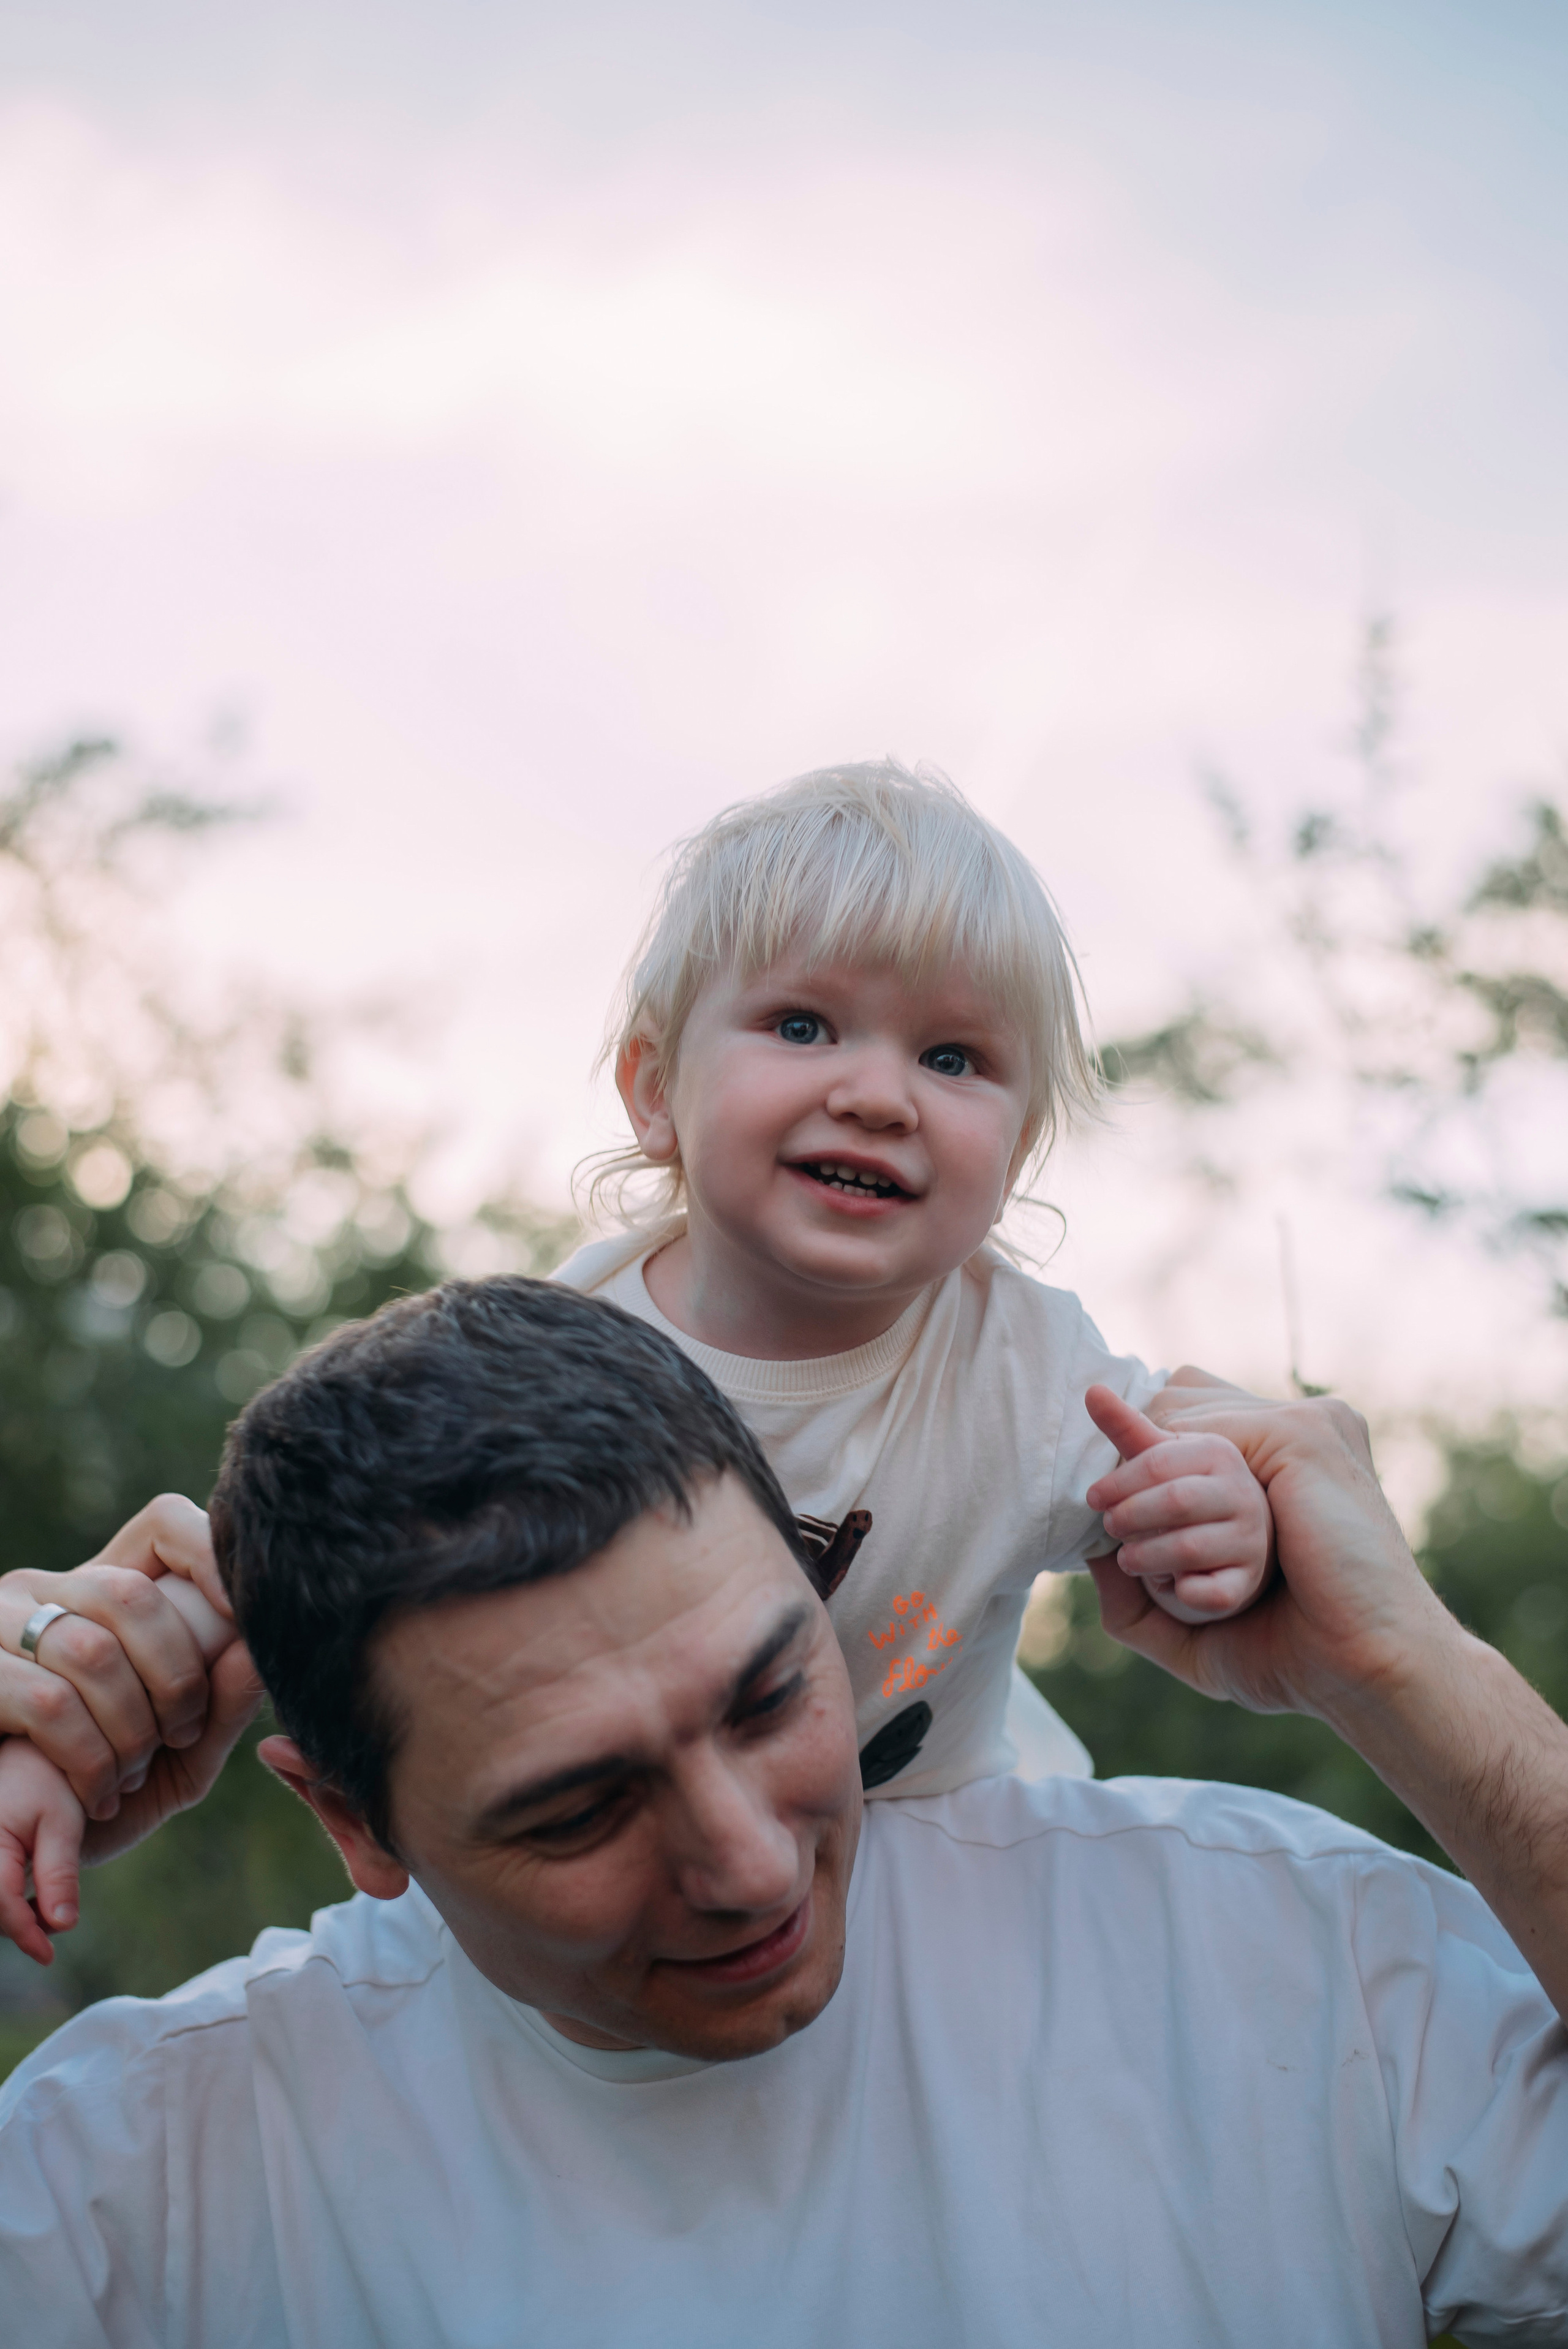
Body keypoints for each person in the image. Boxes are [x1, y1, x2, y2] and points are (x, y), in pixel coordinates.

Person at [2, 1276, 1567, 2347]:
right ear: (354, 1824)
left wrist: (1412, 1673)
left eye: (770, 1696)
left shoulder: (1269, 1955)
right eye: (575, 1810)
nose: (750, 1866)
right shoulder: (174, 2158)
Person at [0, 759, 1277, 1954]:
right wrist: (86, 1718)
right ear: (653, 1090)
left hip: (937, 1852)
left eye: (953, 1059)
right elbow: (340, 1561)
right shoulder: (556, 1360)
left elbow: (1183, 1488)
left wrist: (1210, 1520)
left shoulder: (1033, 1369)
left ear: (1014, 1151)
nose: (880, 1093)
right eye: (802, 1025)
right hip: (647, 1876)